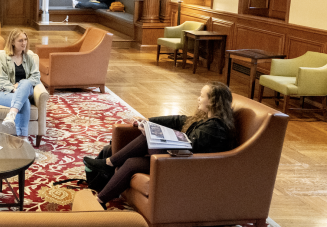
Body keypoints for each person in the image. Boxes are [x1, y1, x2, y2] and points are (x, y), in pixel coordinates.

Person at [84, 81, 236, 206]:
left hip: (187, 167)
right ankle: (100, 200)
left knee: (148, 137)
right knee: (131, 162)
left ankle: (109, 163)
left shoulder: (214, 128)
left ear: (213, 102)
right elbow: (179, 120)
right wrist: (149, 121)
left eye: (202, 96)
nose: (198, 98)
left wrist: (156, 135)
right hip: (174, 160)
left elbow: (189, 147)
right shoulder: (204, 119)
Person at [0, 28, 41, 139]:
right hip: (4, 92)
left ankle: (11, 114)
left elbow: (36, 76)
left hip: (24, 90)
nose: (24, 43)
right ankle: (23, 139)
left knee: (26, 82)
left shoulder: (29, 57)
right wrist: (14, 89)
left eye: (25, 40)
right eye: (20, 40)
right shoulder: (2, 57)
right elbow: (1, 79)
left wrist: (21, 86)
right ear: (12, 42)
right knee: (24, 101)